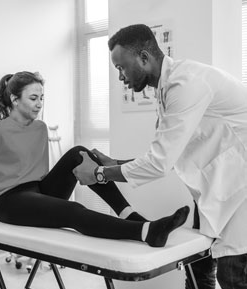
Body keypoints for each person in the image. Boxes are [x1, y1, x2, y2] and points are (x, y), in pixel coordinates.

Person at [72, 24, 247, 289]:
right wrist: (115, 163)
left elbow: (158, 164)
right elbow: (165, 153)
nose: (120, 77)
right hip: (218, 184)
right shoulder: (166, 90)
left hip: (240, 187)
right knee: (197, 266)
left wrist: (97, 174)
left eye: (121, 67)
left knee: (232, 274)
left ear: (144, 57)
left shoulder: (186, 83)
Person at [0, 71, 189, 248]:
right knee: (74, 210)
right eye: (33, 98)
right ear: (15, 100)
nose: (39, 104)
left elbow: (36, 172)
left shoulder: (40, 128)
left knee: (80, 154)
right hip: (9, 202)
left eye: (42, 98)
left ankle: (130, 214)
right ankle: (146, 232)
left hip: (37, 191)